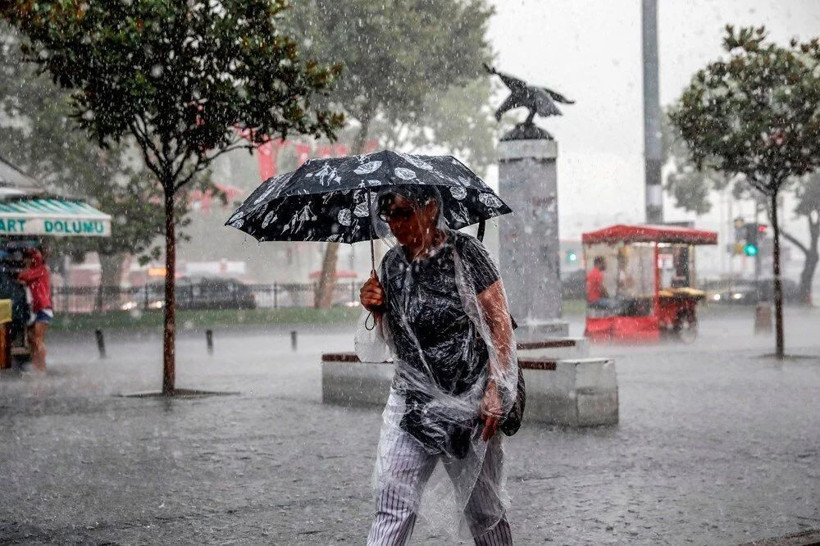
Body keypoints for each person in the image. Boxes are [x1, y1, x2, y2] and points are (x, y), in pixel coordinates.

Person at [358, 185, 517, 545]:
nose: (394, 225)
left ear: (430, 208)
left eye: (402, 213)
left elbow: (499, 323)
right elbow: (394, 341)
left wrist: (497, 388)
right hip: (412, 405)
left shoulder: (466, 255)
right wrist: (376, 308)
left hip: (469, 405)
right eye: (388, 216)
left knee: (485, 514)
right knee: (392, 503)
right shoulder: (391, 265)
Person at [18, 247, 52, 372]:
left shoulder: (40, 270)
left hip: (43, 308)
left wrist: (24, 271)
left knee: (37, 339)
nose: (25, 261)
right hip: (36, 308)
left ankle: (42, 367)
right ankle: (36, 364)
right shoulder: (37, 270)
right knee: (32, 338)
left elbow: (23, 276)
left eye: (27, 258)